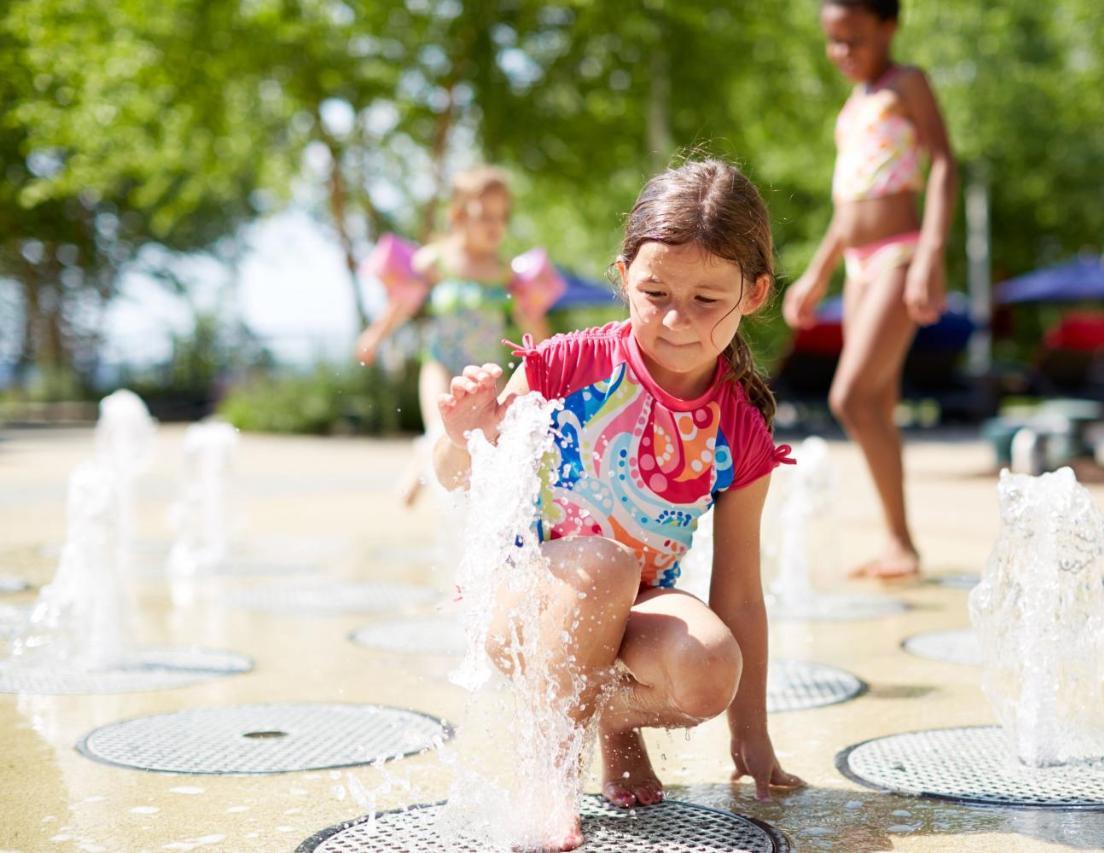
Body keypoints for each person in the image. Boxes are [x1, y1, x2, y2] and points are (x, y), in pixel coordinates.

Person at [433, 160, 805, 849]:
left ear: (754, 293)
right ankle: (550, 770)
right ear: (624, 273)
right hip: (528, 608)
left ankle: (616, 720)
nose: (675, 319)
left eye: (705, 299)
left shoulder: (738, 426)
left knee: (710, 666)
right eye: (655, 290)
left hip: (627, 613)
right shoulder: (569, 365)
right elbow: (466, 480)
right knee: (604, 565)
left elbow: (742, 593)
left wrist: (750, 734)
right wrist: (460, 437)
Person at [783, 0, 956, 580]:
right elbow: (847, 205)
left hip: (901, 254)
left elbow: (945, 165)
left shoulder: (907, 84)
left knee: (850, 398)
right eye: (833, 41)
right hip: (857, 264)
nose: (843, 53)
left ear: (889, 26)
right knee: (878, 404)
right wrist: (817, 272)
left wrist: (932, 252)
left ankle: (901, 543)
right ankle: (897, 544)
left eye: (854, 39)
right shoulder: (852, 105)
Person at [355, 166, 549, 506]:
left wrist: (552, 358)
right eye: (484, 215)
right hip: (442, 365)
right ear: (459, 214)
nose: (495, 225)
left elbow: (531, 324)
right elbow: (401, 303)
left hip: (487, 373)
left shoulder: (505, 272)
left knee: (499, 442)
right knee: (441, 430)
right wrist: (375, 335)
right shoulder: (436, 261)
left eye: (501, 216)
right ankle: (415, 480)